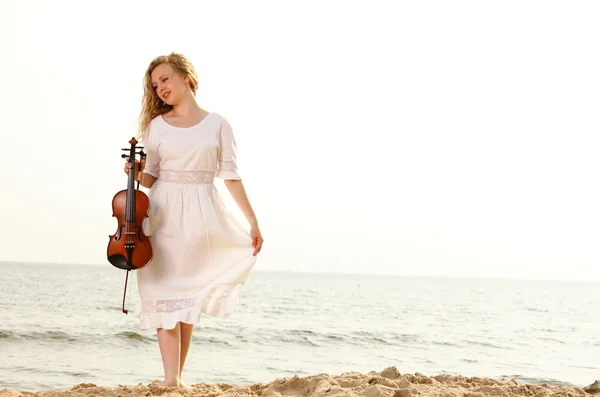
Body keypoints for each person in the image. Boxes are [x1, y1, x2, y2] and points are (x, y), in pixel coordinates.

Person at [123, 52, 263, 388]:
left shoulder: (218, 124)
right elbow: (154, 177)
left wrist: (253, 223)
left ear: (186, 76)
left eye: (165, 79)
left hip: (201, 219)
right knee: (162, 295)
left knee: (185, 301)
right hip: (161, 217)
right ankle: (173, 379)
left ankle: (175, 379)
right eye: (155, 85)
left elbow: (230, 176)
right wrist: (136, 173)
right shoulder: (156, 126)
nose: (160, 89)